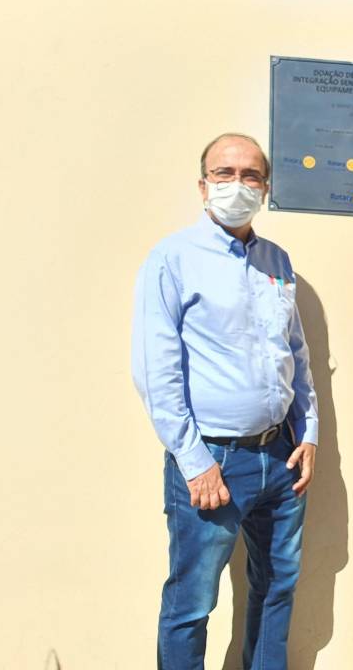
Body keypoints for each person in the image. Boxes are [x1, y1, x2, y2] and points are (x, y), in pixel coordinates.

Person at [132, 133, 318, 670]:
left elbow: (296, 354)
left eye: (250, 175)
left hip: (280, 459)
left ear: (266, 188)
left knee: (277, 588)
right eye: (224, 174)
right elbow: (155, 372)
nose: (237, 184)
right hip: (213, 459)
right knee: (192, 603)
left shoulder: (276, 260)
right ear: (203, 186)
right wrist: (195, 463)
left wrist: (308, 432)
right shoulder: (173, 258)